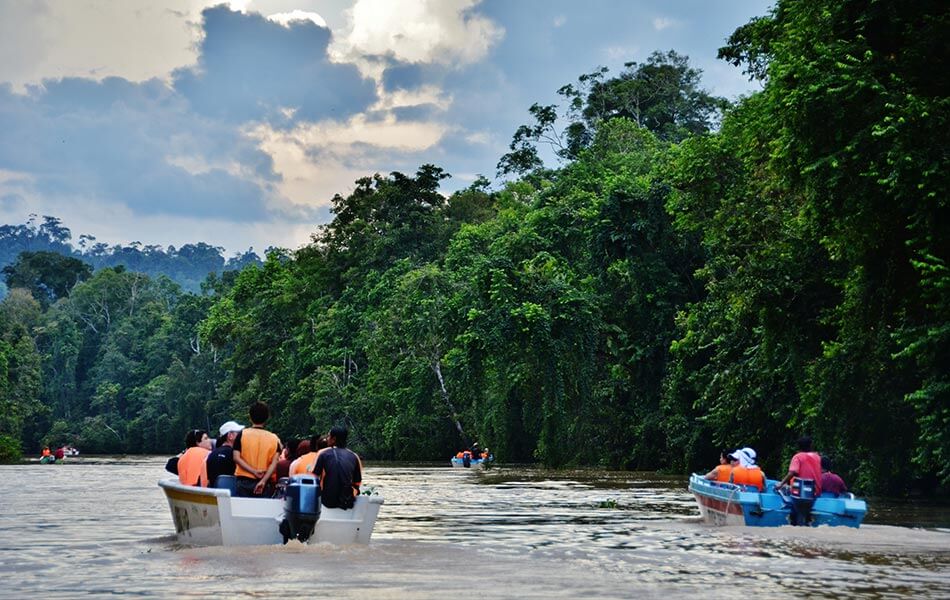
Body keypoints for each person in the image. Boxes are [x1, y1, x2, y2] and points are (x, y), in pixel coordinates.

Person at [233, 401, 282, 498]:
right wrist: (263, 481)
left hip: (243, 481)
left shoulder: (242, 435)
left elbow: (236, 458)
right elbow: (274, 463)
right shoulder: (274, 438)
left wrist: (253, 471)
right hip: (264, 482)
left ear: (250, 417)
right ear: (267, 417)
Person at [311, 426, 362, 510]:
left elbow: (313, 477)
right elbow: (357, 483)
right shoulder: (354, 456)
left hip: (327, 502)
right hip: (346, 502)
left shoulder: (324, 454)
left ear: (334, 439)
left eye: (328, 436)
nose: (327, 439)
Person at [776, 436, 823, 525]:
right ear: (811, 446)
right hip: (815, 492)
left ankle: (793, 520)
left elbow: (792, 472)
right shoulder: (817, 457)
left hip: (800, 493)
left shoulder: (797, 457)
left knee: (793, 506)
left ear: (799, 447)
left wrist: (781, 484)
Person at [206, 420, 244, 488]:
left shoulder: (211, 454)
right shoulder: (236, 454)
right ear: (230, 436)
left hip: (216, 494)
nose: (241, 435)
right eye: (239, 433)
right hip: (233, 495)